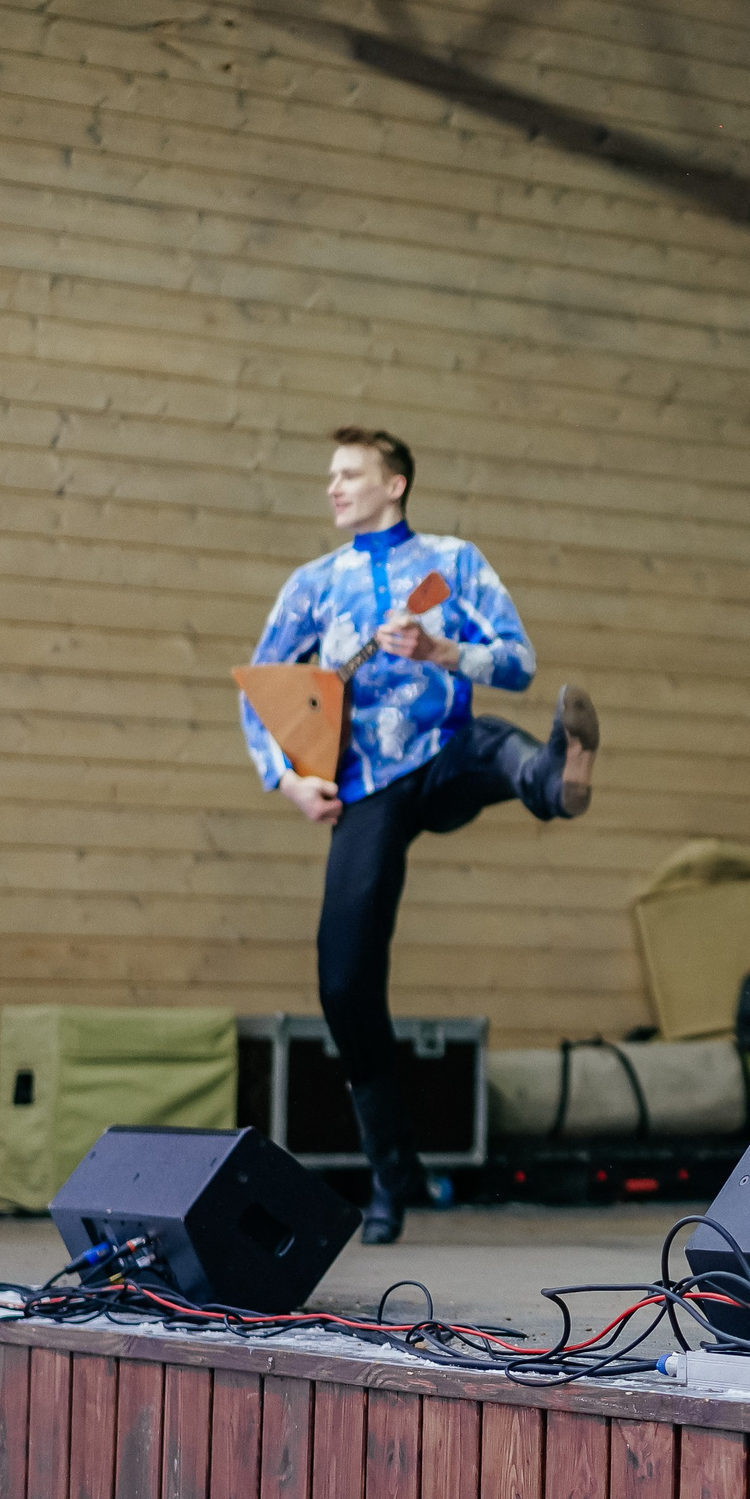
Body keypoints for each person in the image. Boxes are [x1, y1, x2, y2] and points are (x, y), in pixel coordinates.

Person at [240, 426, 600, 1243]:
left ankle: (558, 778)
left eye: (350, 473)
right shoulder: (312, 585)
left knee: (501, 747)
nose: (333, 486)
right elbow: (259, 691)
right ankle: (390, 1173)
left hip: (444, 753)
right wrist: (289, 779)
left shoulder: (451, 563)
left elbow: (518, 662)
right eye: (330, 474)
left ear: (394, 483)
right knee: (343, 983)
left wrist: (441, 649)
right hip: (366, 786)